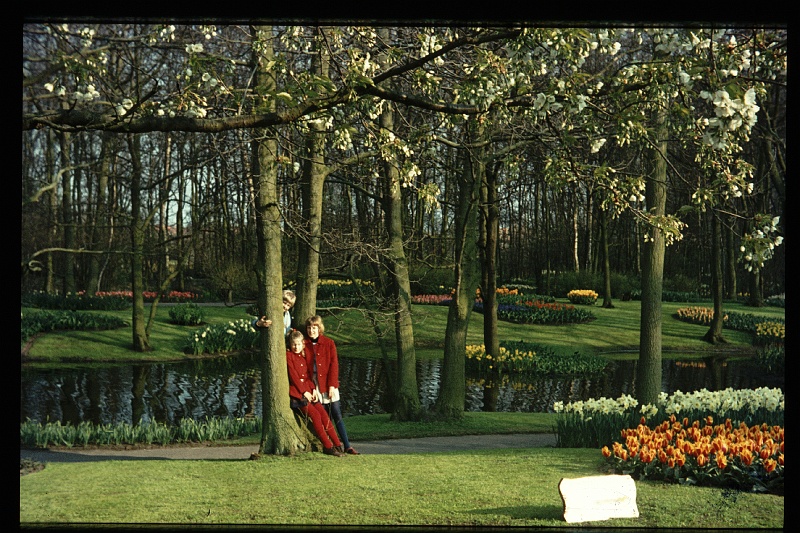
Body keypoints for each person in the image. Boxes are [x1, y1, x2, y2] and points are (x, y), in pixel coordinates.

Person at [304, 315, 359, 455]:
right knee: (323, 416)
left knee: (336, 413)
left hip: (329, 384)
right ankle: (332, 445)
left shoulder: (329, 343)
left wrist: (332, 386)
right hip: (314, 385)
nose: (312, 331)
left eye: (314, 328)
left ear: (319, 328)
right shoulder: (304, 344)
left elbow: (334, 365)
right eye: (309, 328)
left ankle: (347, 445)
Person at [285, 330, 344, 457]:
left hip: (309, 390)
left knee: (324, 415)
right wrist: (304, 391)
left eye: (299, 344)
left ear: (303, 344)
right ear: (290, 345)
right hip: (298, 394)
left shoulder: (303, 356)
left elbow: (308, 376)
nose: (296, 347)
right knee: (316, 416)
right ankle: (328, 447)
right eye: (294, 344)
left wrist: (312, 389)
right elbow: (293, 376)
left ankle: (337, 444)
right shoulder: (288, 356)